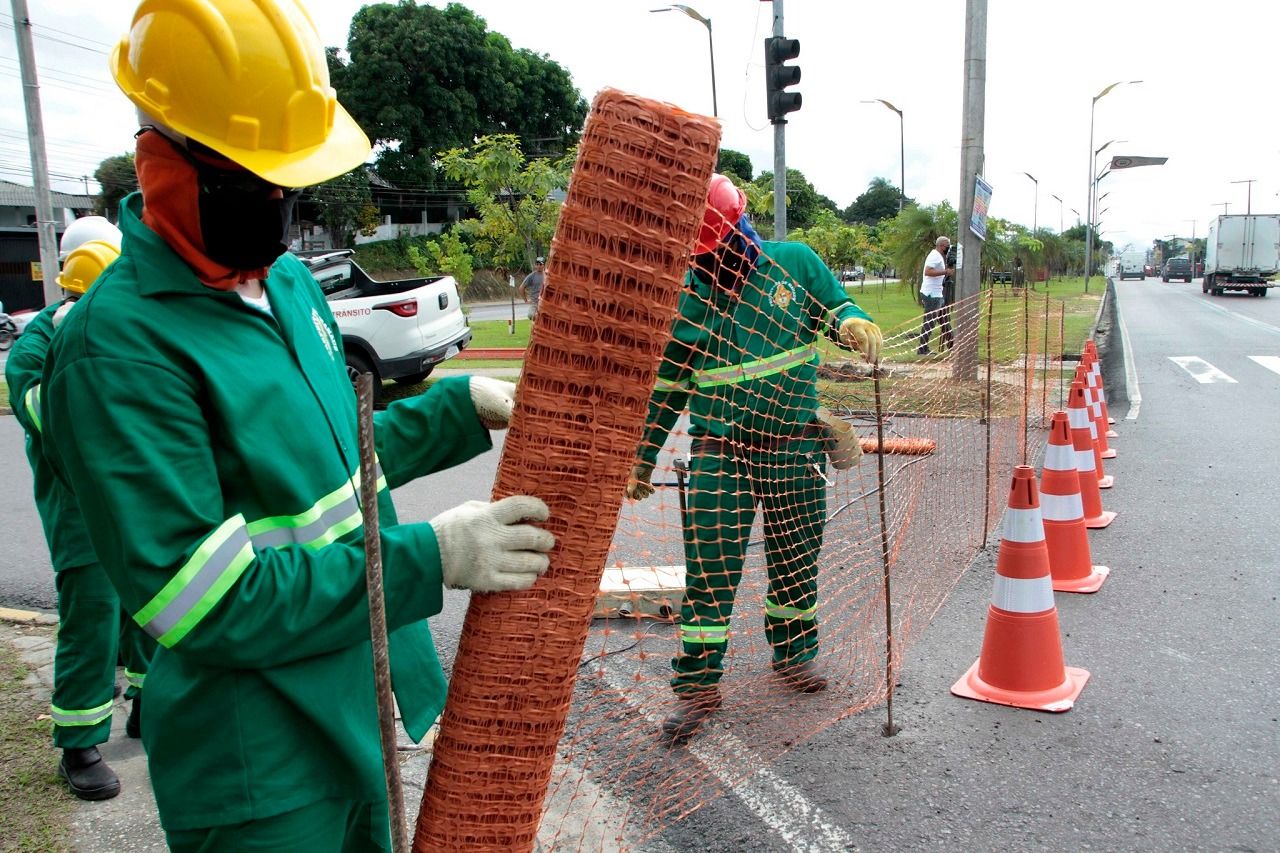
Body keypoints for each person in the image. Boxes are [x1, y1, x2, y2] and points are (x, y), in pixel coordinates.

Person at [41, 1, 555, 848]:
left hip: (353, 701)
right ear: (162, 156)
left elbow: (321, 468)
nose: (278, 197)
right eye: (254, 172)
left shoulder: (284, 287)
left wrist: (448, 413)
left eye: (290, 173)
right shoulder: (119, 350)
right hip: (258, 767)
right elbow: (205, 603)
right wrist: (433, 555)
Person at [625, 174, 882, 742]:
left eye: (726, 248)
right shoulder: (685, 299)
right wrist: (642, 459)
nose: (719, 264)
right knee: (710, 575)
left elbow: (835, 309)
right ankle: (697, 687)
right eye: (708, 257)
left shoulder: (795, 263)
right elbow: (667, 389)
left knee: (796, 561)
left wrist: (852, 321)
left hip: (794, 447)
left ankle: (794, 656)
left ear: (744, 227)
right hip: (721, 453)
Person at [5, 230, 158, 801]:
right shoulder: (35, 347)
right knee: (92, 614)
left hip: (135, 499)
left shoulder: (125, 324)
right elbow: (57, 422)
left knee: (150, 604)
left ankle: (148, 703)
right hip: (78, 505)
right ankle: (80, 742)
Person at [918, 235, 955, 355]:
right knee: (930, 321)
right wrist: (945, 272)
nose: (948, 249)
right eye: (947, 246)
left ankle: (953, 346)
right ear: (941, 246)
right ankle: (922, 349)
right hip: (932, 294)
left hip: (937, 293)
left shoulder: (938, 256)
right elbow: (928, 271)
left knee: (944, 320)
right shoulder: (935, 256)